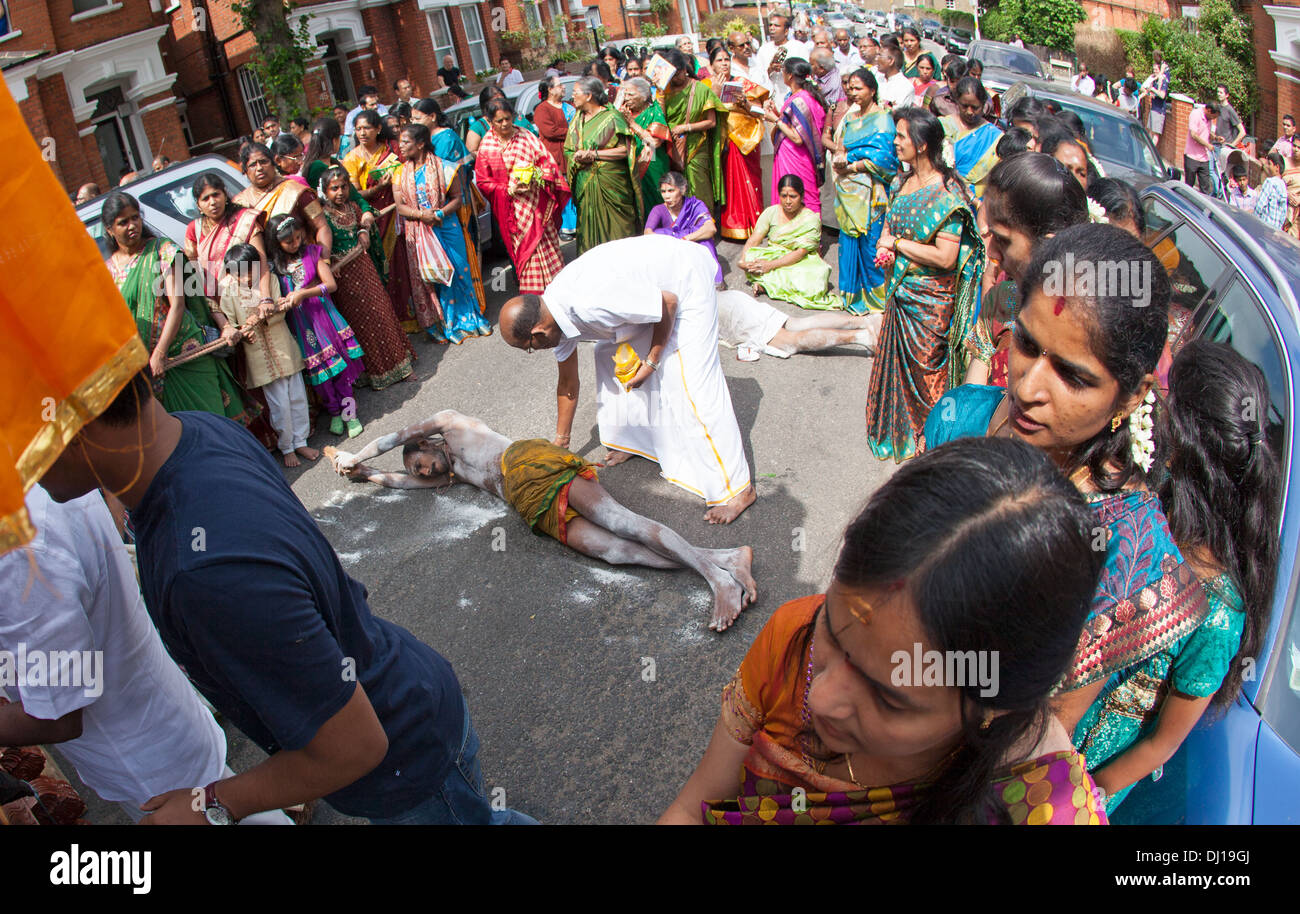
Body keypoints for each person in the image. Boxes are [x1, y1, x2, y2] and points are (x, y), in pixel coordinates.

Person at [38, 372, 536, 826]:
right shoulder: (193, 431)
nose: (18, 467)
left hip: (406, 754)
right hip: (408, 694)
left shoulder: (207, 574)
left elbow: (353, 747)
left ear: (75, 425)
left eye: (18, 437)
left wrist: (210, 804)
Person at [659, 436, 1108, 825]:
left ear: (996, 706)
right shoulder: (793, 632)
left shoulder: (1043, 804)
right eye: (833, 634)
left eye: (888, 698)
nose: (820, 698)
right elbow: (693, 808)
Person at [923, 225, 1212, 813]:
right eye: (1026, 344)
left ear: (1130, 399)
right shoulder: (975, 416)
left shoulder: (1123, 551)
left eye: (1074, 376)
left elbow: (1031, 733)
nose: (1028, 386)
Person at [0, 484, 292, 825]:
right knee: (238, 810)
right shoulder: (37, 476)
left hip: (146, 758)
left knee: (224, 811)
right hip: (157, 725)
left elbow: (58, 715)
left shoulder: (19, 551)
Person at [327, 410, 759, 632]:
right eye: (421, 471)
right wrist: (366, 475)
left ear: (427, 443)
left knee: (622, 521)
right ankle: (726, 557)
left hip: (531, 465)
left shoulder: (450, 424)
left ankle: (718, 580)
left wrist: (359, 453)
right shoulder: (452, 475)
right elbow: (402, 484)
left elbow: (394, 437)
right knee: (614, 552)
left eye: (420, 462)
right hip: (529, 503)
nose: (424, 472)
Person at [1080, 341, 1281, 814]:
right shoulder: (1140, 509)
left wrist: (1081, 795)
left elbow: (1160, 746)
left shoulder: (1216, 617)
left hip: (1082, 770)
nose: (1153, 412)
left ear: (1181, 446)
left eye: (1164, 405)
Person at [498, 235, 757, 525]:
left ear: (538, 333)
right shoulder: (551, 318)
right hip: (646, 296)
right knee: (607, 355)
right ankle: (633, 442)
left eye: (530, 347)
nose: (533, 352)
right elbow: (568, 384)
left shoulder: (590, 303)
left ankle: (738, 489)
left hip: (683, 281)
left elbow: (667, 303)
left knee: (691, 380)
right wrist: (561, 443)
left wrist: (652, 360)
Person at [865, 108, 983, 462]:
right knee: (900, 366)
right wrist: (886, 243)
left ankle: (932, 439)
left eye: (901, 136)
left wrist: (897, 246)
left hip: (931, 301)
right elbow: (890, 225)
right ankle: (900, 429)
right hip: (900, 293)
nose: (895, 142)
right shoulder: (900, 183)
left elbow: (946, 257)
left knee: (927, 367)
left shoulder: (948, 194)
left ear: (922, 143)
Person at [101, 192, 253, 423]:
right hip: (148, 369)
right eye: (123, 222)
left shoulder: (163, 251)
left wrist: (160, 354)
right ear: (110, 229)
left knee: (211, 424)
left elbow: (178, 305)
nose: (132, 225)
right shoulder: (108, 271)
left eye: (135, 218)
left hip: (185, 353)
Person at [963, 153, 1090, 388]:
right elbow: (971, 401)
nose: (990, 253)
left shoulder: (1093, 327)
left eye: (1002, 240)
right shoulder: (1002, 301)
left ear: (1050, 246)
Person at [266, 214, 365, 438]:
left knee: (339, 370)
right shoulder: (276, 268)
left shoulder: (312, 253)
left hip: (323, 318)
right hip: (302, 326)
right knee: (321, 375)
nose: (296, 243)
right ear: (276, 243)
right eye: (289, 241)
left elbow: (330, 285)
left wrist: (304, 293)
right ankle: (334, 413)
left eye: (299, 237)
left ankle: (351, 414)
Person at [216, 244, 317, 466]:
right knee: (279, 404)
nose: (246, 277)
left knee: (297, 397)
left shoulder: (268, 280)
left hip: (283, 347)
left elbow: (280, 309)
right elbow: (233, 324)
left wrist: (270, 311)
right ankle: (287, 446)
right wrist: (243, 334)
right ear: (231, 274)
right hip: (259, 355)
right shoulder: (229, 293)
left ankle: (301, 441)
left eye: (249, 270)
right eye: (239, 273)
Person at [318, 166, 417, 385]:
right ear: (325, 191)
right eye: (334, 188)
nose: (340, 192)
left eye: (344, 187)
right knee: (361, 322)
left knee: (382, 312)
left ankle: (401, 365)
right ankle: (375, 372)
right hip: (343, 276)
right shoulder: (322, 216)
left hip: (363, 267)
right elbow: (320, 247)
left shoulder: (353, 207)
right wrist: (331, 263)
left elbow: (367, 220)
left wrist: (364, 230)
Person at [393, 124, 491, 344]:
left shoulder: (446, 168)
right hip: (420, 231)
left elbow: (458, 198)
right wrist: (421, 215)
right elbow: (400, 206)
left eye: (405, 142)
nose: (401, 146)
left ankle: (471, 319)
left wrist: (438, 214)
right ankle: (447, 323)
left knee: (458, 270)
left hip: (447, 226)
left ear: (420, 144)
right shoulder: (399, 173)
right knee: (436, 277)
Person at [474, 96, 569, 294]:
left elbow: (548, 164)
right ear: (490, 122)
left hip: (537, 204)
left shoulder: (526, 136)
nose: (505, 124)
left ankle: (559, 292)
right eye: (499, 121)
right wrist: (508, 189)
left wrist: (535, 176)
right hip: (513, 212)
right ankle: (535, 298)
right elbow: (483, 182)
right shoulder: (487, 146)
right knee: (526, 253)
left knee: (547, 246)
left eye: (508, 118)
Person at [828, 69, 898, 313]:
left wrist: (852, 165)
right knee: (848, 242)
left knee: (871, 245)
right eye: (850, 88)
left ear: (872, 90)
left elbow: (886, 161)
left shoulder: (883, 120)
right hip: (849, 193)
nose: (853, 93)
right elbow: (840, 146)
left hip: (872, 196)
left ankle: (878, 300)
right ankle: (852, 296)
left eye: (859, 88)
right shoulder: (850, 118)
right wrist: (840, 159)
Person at [738, 174, 840, 310]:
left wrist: (770, 266)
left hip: (800, 261)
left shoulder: (811, 219)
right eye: (783, 196)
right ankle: (771, 284)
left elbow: (801, 252)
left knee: (819, 273)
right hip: (774, 254)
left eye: (793, 196)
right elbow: (755, 238)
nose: (788, 201)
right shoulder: (771, 212)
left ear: (802, 196)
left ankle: (766, 285)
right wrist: (743, 260)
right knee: (751, 256)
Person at [564, 76, 641, 254]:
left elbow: (626, 151)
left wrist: (594, 155)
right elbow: (568, 149)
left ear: (589, 95)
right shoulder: (577, 119)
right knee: (589, 237)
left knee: (618, 236)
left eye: (575, 93)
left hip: (612, 187)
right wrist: (576, 157)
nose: (572, 97)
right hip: (585, 186)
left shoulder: (612, 117)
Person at [715, 288, 880, 360]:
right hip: (730, 299)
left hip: (724, 311)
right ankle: (865, 322)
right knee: (798, 323)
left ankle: (863, 336)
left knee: (788, 341)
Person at [185, 171, 272, 305]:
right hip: (217, 303)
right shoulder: (194, 230)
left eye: (216, 195)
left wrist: (266, 298)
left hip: (251, 296)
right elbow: (195, 276)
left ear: (225, 195)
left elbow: (261, 260)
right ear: (198, 205)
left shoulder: (245, 219)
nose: (212, 202)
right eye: (205, 198)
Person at [661, 49, 728, 218]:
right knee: (676, 191)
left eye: (676, 74)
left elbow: (711, 122)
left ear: (684, 69)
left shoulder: (700, 89)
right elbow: (660, 119)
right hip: (673, 149)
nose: (674, 78)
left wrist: (686, 127)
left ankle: (704, 225)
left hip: (697, 148)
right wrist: (660, 94)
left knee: (699, 188)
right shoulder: (664, 92)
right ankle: (683, 226)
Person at [708, 51, 767, 242]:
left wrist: (745, 103)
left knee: (750, 181)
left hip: (746, 140)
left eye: (727, 59)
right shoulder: (706, 86)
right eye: (719, 60)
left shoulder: (743, 82)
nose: (724, 63)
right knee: (730, 185)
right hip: (722, 142)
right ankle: (734, 226)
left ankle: (756, 224)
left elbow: (760, 112)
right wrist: (715, 94)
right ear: (711, 65)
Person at [233, 142, 333, 253]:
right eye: (252, 165)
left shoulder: (296, 191)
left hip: (302, 261)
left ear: (273, 163)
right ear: (245, 170)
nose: (259, 168)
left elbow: (321, 226)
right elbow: (238, 249)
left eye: (263, 162)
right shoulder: (240, 203)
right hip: (263, 266)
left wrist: (324, 260)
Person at [762, 58, 828, 216]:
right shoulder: (801, 96)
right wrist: (777, 113)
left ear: (790, 75)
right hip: (792, 155)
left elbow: (798, 138)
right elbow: (794, 124)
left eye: (783, 70)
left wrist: (775, 120)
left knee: (800, 194)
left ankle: (809, 236)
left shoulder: (800, 100)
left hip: (796, 156)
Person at [644, 171, 722, 284]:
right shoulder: (658, 210)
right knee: (659, 233)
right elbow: (648, 233)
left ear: (683, 189)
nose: (666, 196)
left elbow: (711, 229)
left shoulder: (695, 205)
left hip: (692, 245)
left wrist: (685, 239)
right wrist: (673, 240)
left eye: (671, 191)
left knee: (705, 239)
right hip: (670, 251)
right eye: (663, 191)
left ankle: (713, 281)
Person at [617, 77, 673, 219]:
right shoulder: (624, 112)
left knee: (654, 198)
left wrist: (632, 124)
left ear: (643, 96)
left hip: (652, 163)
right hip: (630, 163)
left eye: (631, 95)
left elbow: (654, 142)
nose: (627, 98)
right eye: (626, 94)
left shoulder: (654, 112)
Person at [941, 77, 1001, 202]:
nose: (969, 112)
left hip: (977, 203)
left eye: (975, 107)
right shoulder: (942, 126)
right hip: (943, 196)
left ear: (984, 105)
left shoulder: (994, 136)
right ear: (957, 101)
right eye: (965, 106)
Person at [534, 77, 581, 235]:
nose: (563, 88)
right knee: (562, 192)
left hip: (573, 156)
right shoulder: (543, 109)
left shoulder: (569, 107)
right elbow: (550, 132)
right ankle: (566, 226)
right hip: (556, 159)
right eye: (559, 85)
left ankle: (578, 224)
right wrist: (572, 132)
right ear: (550, 89)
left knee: (575, 190)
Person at [753, 11, 811, 109]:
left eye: (776, 25)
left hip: (795, 98)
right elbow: (758, 77)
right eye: (770, 25)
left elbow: (807, 73)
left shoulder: (798, 47)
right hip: (772, 101)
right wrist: (770, 69)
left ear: (786, 31)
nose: (772, 28)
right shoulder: (764, 49)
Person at [1183, 99, 1218, 195]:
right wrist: (1207, 145)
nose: (1213, 119)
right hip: (1192, 156)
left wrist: (1215, 137)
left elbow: (1206, 134)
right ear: (1209, 110)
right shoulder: (1195, 114)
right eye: (1213, 116)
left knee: (1205, 188)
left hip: (1204, 158)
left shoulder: (1209, 119)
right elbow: (1194, 135)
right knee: (1189, 186)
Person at [1253, 151, 1289, 230]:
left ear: (1277, 167)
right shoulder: (1283, 186)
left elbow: (1260, 205)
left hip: (1264, 226)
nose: (1267, 167)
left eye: (1269, 164)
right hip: (1275, 230)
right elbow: (1283, 213)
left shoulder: (1270, 182)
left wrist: (1253, 221)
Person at [873, 43, 915, 111]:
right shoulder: (876, 78)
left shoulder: (905, 87)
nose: (876, 59)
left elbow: (898, 114)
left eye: (880, 56)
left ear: (891, 61)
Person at [1140, 51, 1170, 141]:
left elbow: (1162, 94)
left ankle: (1150, 152)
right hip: (1154, 108)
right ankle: (1147, 151)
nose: (1154, 71)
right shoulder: (1155, 79)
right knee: (1150, 131)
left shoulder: (1163, 77)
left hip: (1159, 110)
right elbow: (1144, 87)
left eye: (1156, 70)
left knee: (1155, 133)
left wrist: (1153, 89)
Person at [1213, 84, 1246, 149]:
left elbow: (1242, 132)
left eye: (1221, 92)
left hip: (1224, 147)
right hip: (1215, 144)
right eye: (1218, 92)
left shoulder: (1230, 110)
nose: (1219, 94)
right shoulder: (1217, 108)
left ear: (1227, 95)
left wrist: (1232, 146)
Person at [1282, 147, 1300, 239]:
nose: (1295, 149)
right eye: (1294, 146)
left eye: (1299, 148)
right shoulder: (1284, 163)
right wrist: (1287, 194)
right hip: (1284, 209)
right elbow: (1274, 183)